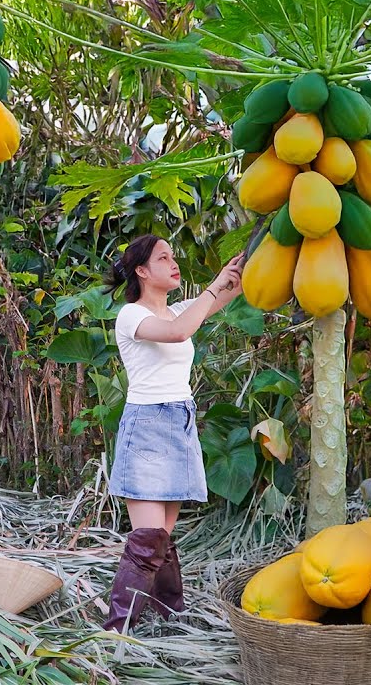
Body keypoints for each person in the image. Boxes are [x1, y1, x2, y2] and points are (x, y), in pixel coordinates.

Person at [100, 234, 244, 632]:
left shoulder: (178, 309)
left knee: (161, 541)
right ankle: (116, 635)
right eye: (163, 258)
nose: (173, 262)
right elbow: (181, 332)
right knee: (147, 541)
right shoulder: (131, 315)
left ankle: (171, 620)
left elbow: (227, 294)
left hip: (179, 424)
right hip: (147, 426)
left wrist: (244, 268)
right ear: (143, 271)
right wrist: (216, 285)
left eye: (173, 256)